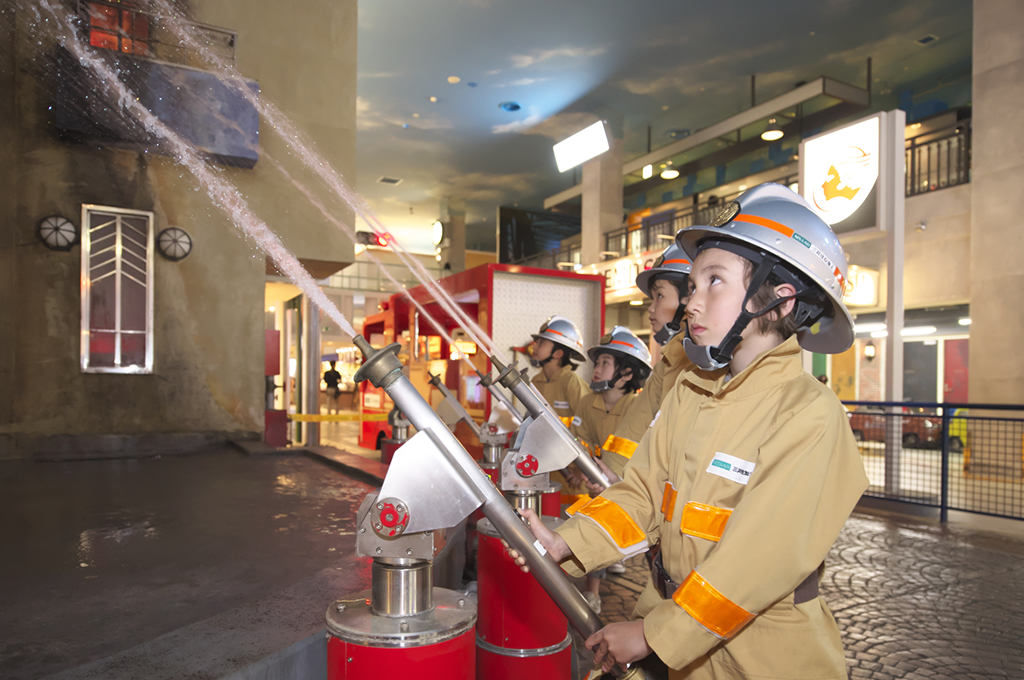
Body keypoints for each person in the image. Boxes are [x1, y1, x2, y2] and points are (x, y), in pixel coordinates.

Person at [515, 183, 869, 678]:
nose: (691, 304)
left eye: (714, 282)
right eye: (693, 285)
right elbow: (640, 492)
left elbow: (757, 562)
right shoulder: (691, 391)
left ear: (780, 301)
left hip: (762, 655)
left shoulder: (809, 415)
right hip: (672, 621)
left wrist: (653, 635)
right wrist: (570, 542)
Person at [568, 327, 652, 612]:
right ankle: (592, 589)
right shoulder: (587, 402)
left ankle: (604, 593)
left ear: (627, 373)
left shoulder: (638, 408)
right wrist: (584, 470)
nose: (597, 369)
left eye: (605, 363)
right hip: (595, 480)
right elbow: (581, 441)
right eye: (597, 362)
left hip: (631, 486)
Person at [599, 243, 693, 481]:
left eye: (659, 296)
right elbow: (632, 434)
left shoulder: (700, 366)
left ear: (688, 300)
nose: (651, 310)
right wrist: (610, 476)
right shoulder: (667, 365)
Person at [528, 315, 589, 420]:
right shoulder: (536, 381)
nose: (534, 346)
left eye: (541, 343)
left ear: (557, 353)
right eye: (537, 342)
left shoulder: (571, 381)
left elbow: (586, 421)